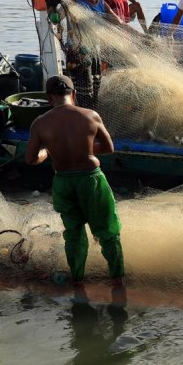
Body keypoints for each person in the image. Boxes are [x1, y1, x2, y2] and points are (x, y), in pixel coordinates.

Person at [24, 75, 125, 293]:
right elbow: (108, 148)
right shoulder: (91, 115)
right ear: (74, 94)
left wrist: (48, 151)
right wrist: (85, 148)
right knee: (108, 231)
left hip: (63, 181)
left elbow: (30, 159)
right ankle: (118, 281)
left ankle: (78, 282)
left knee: (74, 233)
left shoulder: (40, 123)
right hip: (91, 179)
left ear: (49, 98)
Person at [66, 0, 125, 110]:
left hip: (95, 53)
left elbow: (119, 23)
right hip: (78, 54)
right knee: (82, 90)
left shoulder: (102, 4)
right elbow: (55, 16)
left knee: (95, 88)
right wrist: (54, 5)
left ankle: (92, 114)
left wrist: (141, 36)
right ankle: (81, 115)